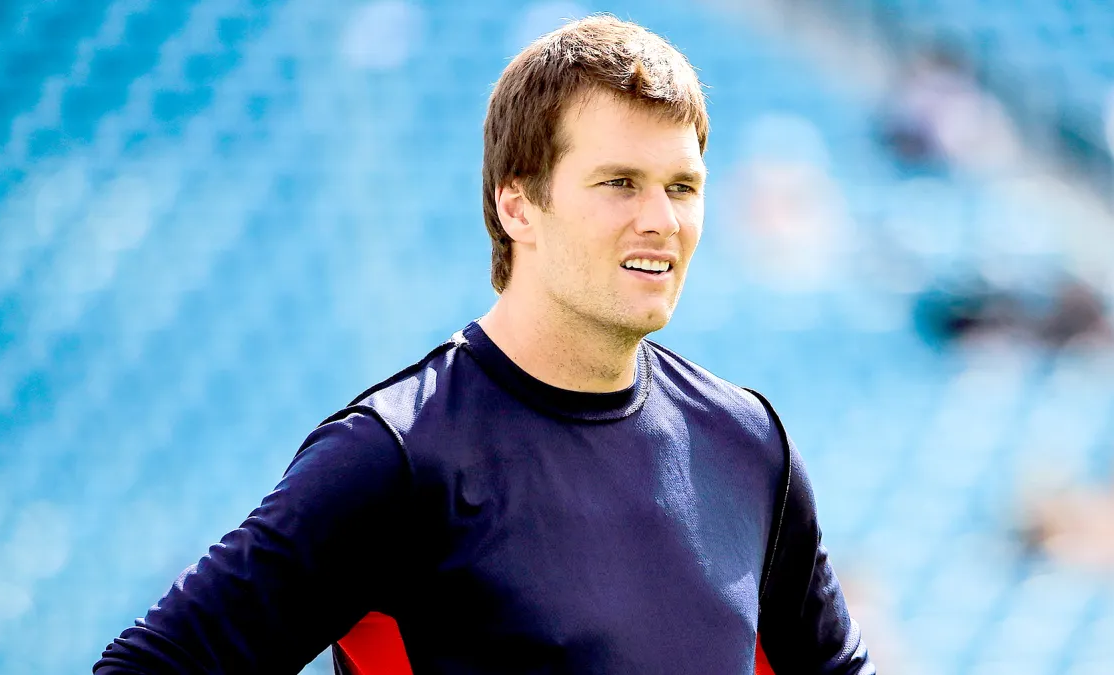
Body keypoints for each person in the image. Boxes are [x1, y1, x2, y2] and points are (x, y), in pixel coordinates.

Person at [94, 15, 873, 675]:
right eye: (619, 183)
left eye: (681, 186)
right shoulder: (395, 456)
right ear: (517, 205)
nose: (661, 220)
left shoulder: (749, 443)